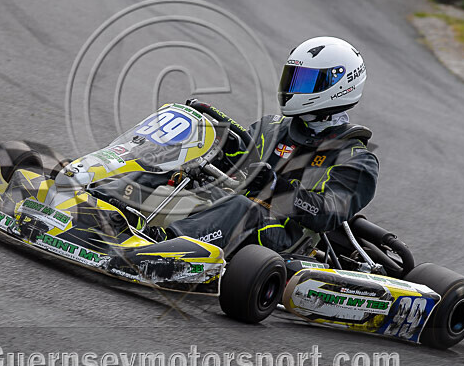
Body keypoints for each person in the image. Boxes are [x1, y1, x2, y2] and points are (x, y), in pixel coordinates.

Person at [159, 36, 379, 255]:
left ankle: (164, 246)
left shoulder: (356, 158)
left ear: (340, 86)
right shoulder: (271, 128)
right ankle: (128, 213)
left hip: (286, 237)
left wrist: (275, 187)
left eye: (304, 82)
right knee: (175, 168)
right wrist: (212, 151)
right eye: (293, 80)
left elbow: (326, 214)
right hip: (232, 213)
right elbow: (237, 161)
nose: (293, 88)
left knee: (243, 208)